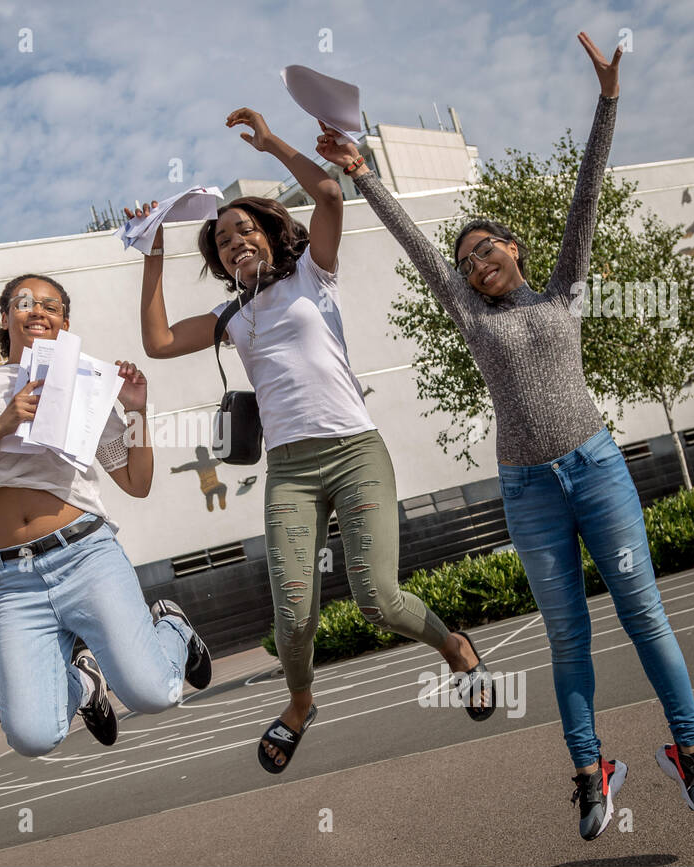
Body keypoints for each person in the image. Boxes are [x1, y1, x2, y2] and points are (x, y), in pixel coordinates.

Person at [322, 32, 694, 839]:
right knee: (568, 636)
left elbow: (587, 193)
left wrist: (608, 101)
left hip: (597, 470)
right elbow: (416, 246)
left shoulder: (565, 289)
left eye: (485, 249)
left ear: (516, 249)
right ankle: (589, 771)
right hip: (528, 490)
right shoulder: (469, 313)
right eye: (465, 259)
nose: (473, 263)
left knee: (644, 613)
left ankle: (692, 752)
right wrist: (362, 178)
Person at [125, 108, 496, 777]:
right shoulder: (228, 315)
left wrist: (270, 144)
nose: (235, 241)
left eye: (246, 230)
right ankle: (301, 703)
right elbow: (155, 342)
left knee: (377, 601)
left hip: (354, 452)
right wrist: (153, 246)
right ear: (217, 259)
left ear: (270, 236)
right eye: (222, 239)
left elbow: (328, 194)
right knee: (293, 618)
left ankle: (454, 648)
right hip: (289, 470)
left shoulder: (311, 276)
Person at [0, 274, 212, 758]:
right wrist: (3, 422)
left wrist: (138, 410)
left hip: (85, 556)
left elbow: (136, 484)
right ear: (4, 316)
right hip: (14, 578)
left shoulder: (87, 387)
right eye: (25, 302)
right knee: (32, 737)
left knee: (155, 694)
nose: (38, 310)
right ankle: (84, 682)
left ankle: (174, 629)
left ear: (65, 323)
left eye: (51, 306)